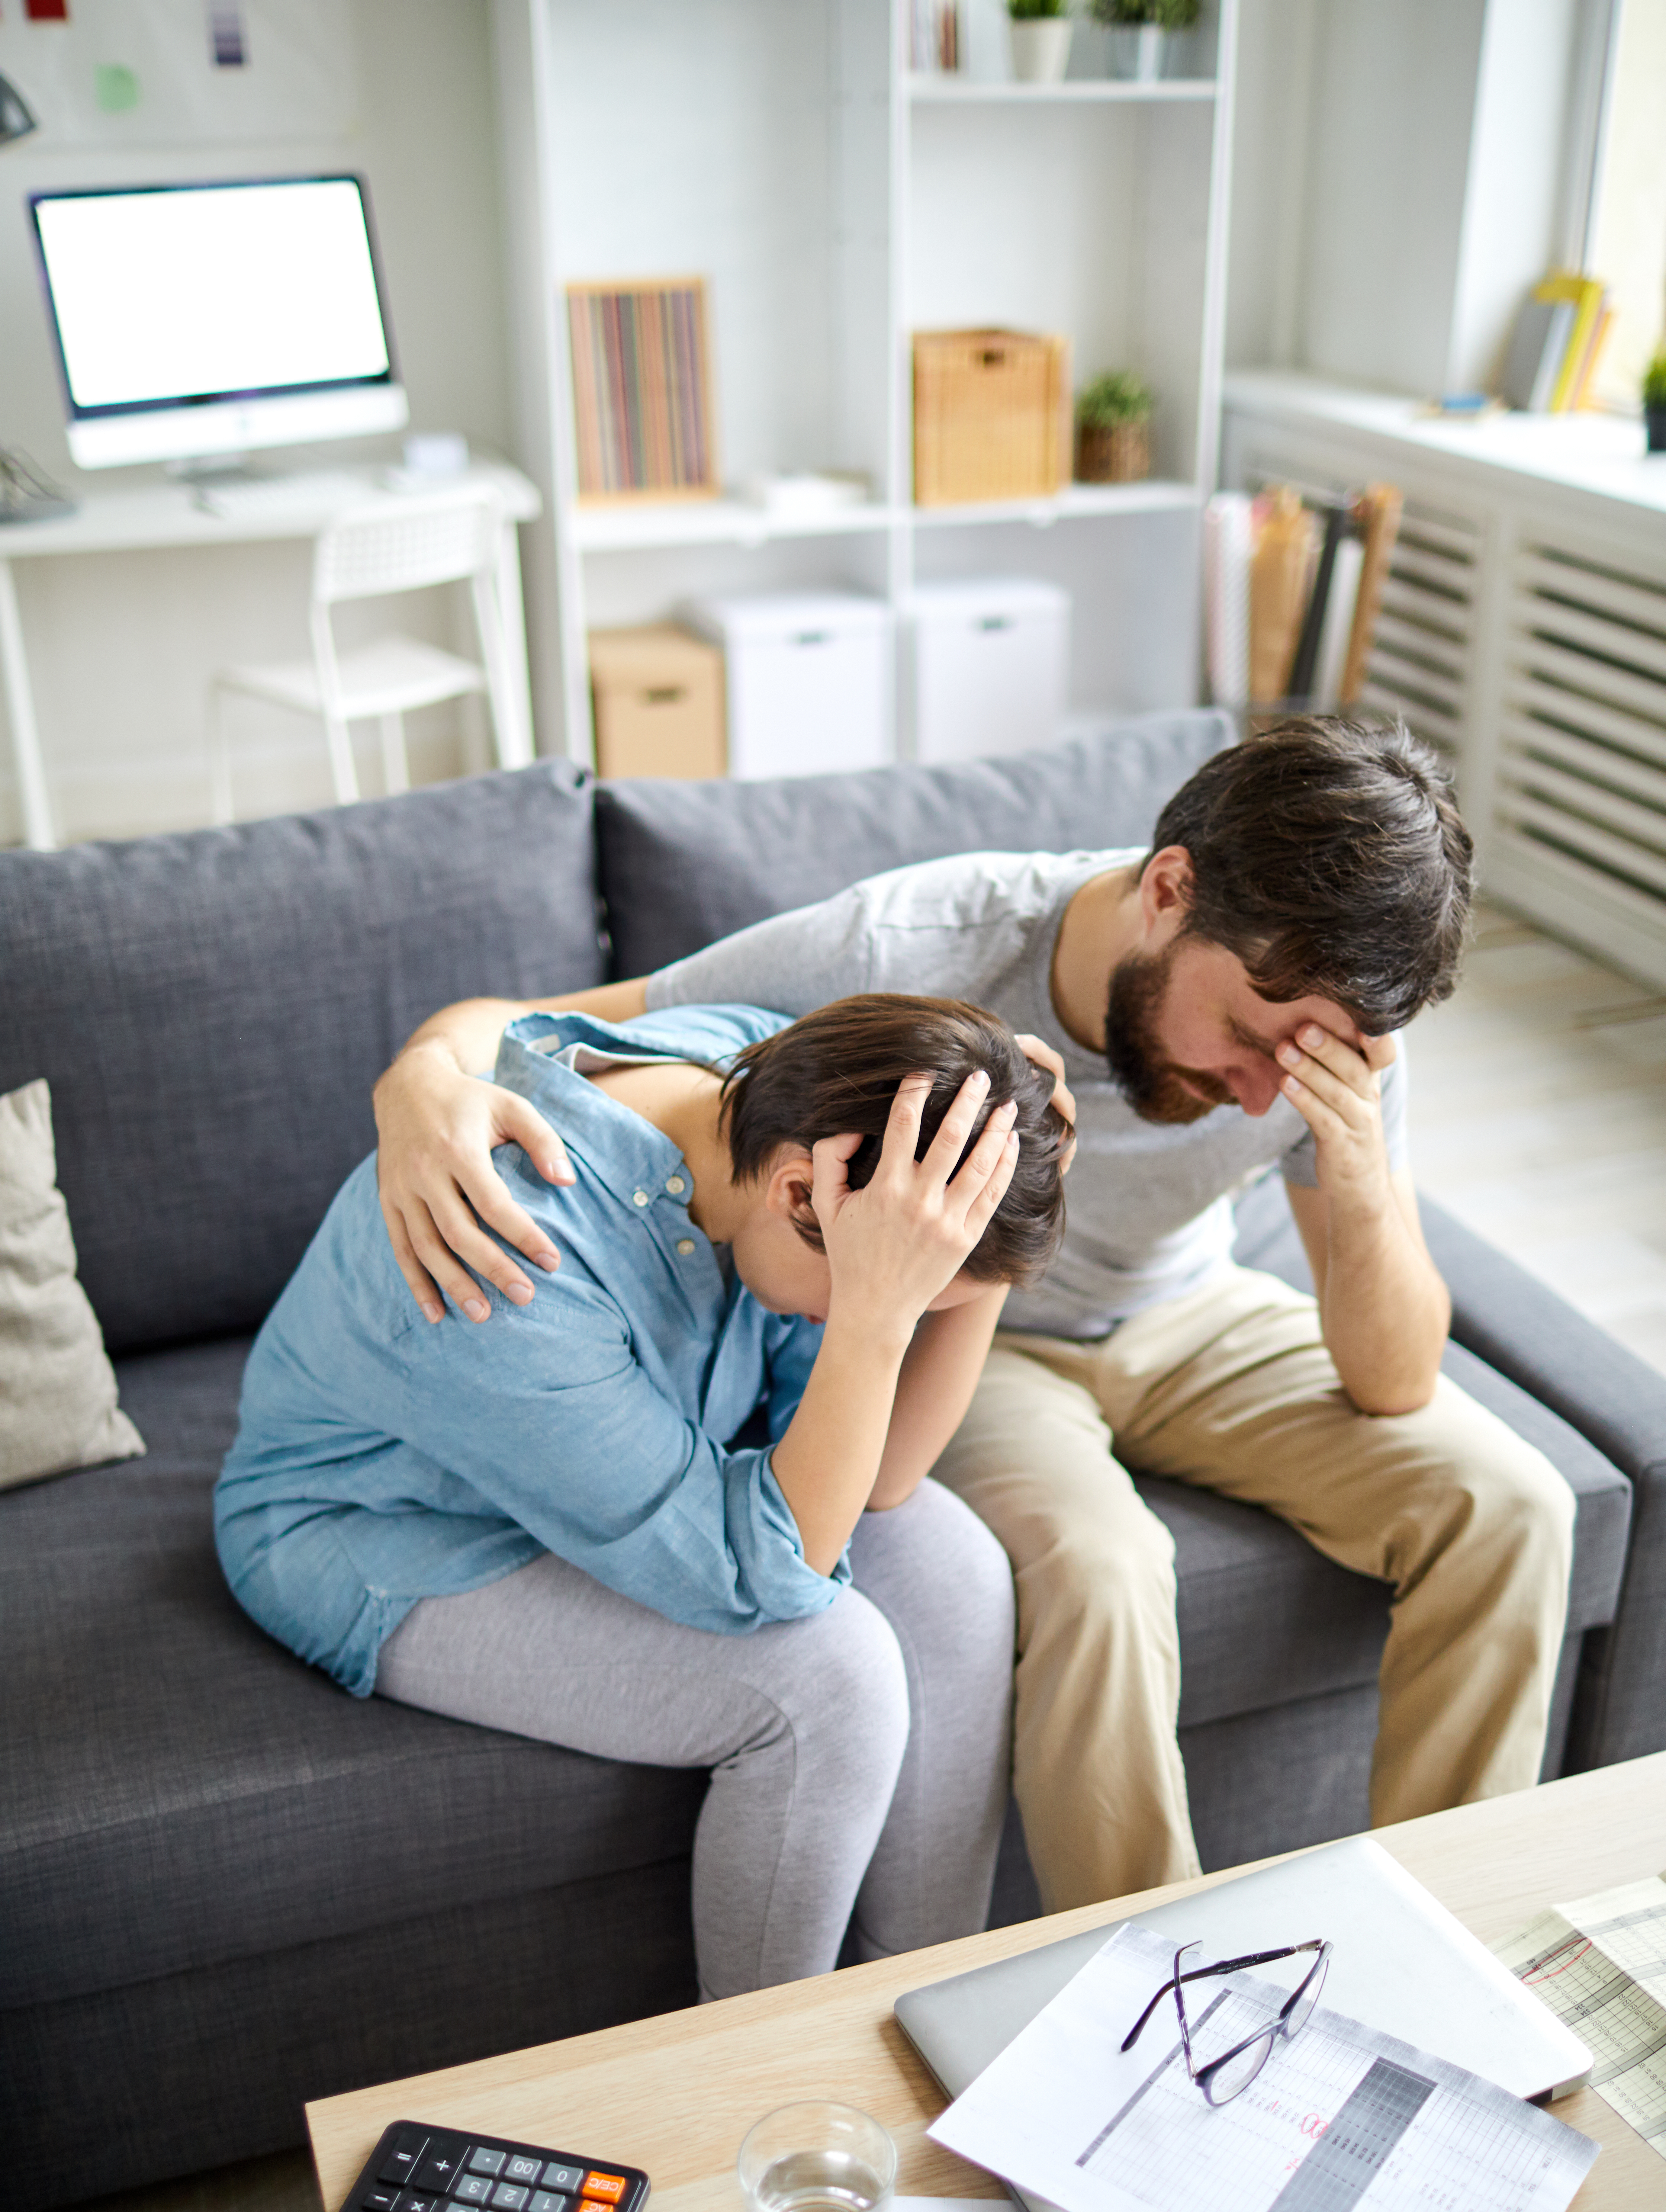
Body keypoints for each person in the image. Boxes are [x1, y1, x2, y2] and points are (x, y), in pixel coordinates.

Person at [368, 716, 1577, 1914]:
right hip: (994, 1344)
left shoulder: (1332, 1025)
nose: (1260, 1092)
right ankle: (1157, 1997)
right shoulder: (913, 943)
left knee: (1513, 1504)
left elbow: (1395, 1380)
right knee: (1102, 1571)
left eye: (1303, 1059)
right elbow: (557, 1024)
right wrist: (421, 1078)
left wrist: (1357, 1174)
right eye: (1248, 1039)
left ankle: (1450, 1946)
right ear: (1169, 889)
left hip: (1192, 1309)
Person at [216, 994, 1070, 2000]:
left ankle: (924, 2011)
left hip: (612, 1448)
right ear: (804, 1193)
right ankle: (756, 2095)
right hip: (394, 1524)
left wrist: (988, 1233)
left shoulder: (759, 1090)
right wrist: (882, 1314)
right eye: (917, 1289)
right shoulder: (507, 1252)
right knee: (833, 1680)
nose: (912, 1311)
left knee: (957, 1568)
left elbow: (883, 1479)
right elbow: (764, 1582)